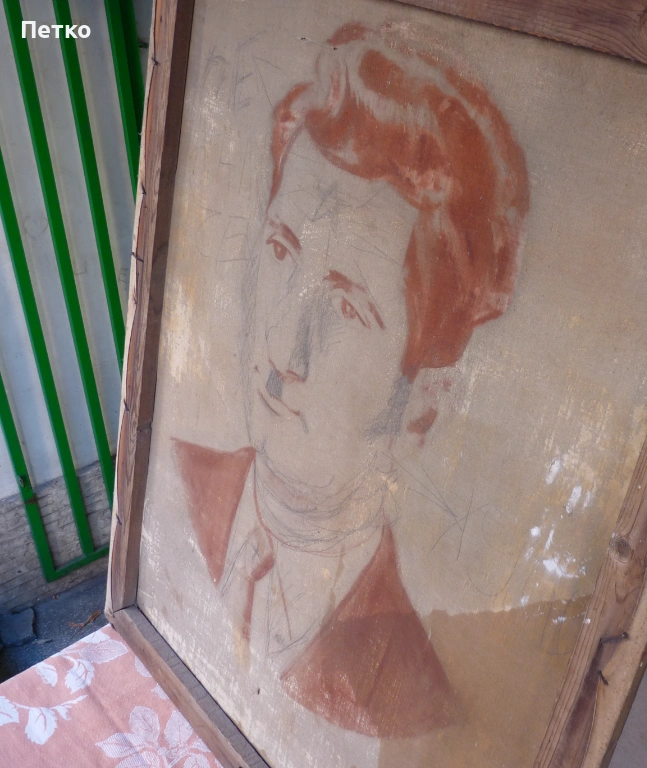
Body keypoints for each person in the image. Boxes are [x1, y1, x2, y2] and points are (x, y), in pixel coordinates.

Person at [171, 21, 531, 740]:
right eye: (281, 250)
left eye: (345, 307)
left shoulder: (410, 702)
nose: (282, 349)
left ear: (423, 406)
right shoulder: (180, 497)